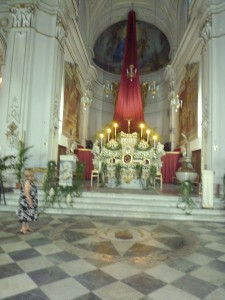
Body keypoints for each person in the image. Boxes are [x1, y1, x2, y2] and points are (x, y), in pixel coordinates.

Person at [18, 169, 38, 234]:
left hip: (27, 200)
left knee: (27, 214)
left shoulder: (29, 181)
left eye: (32, 175)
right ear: (27, 175)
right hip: (26, 201)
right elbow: (26, 193)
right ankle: (23, 228)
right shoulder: (27, 182)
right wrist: (30, 202)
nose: (32, 177)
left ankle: (27, 227)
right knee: (25, 214)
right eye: (30, 175)